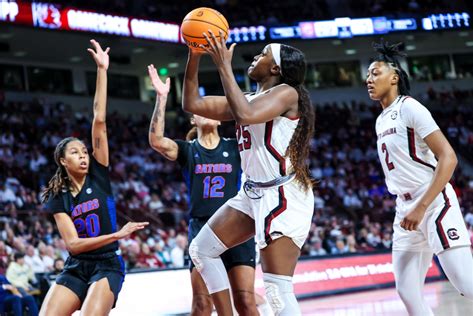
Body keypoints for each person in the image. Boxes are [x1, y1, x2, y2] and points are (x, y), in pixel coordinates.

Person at [182, 31, 315, 316]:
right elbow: (192, 103)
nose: (256, 57)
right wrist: (194, 56)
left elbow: (246, 114)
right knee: (201, 250)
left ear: (276, 68)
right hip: (252, 191)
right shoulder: (248, 97)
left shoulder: (286, 93)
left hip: (283, 196)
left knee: (278, 291)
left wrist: (222, 66)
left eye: (264, 53)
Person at [39, 40, 149, 316]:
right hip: (76, 265)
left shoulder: (99, 173)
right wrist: (117, 233)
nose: (84, 155)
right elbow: (73, 245)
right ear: (63, 161)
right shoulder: (57, 196)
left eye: (85, 151)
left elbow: (98, 119)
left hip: (107, 263)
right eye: (75, 153)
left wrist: (102, 70)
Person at [366, 41, 473, 316]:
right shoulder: (381, 118)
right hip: (405, 209)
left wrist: (422, 206)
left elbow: (449, 158)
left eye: (375, 73)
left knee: (466, 283)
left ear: (395, 77)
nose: (368, 79)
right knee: (408, 291)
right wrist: (412, 208)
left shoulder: (410, 108)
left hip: (433, 201)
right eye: (367, 74)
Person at [147, 64, 258, 315]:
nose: (206, 112)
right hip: (202, 228)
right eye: (200, 108)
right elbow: (156, 141)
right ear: (193, 118)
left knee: (246, 302)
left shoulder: (235, 147)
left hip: (237, 226)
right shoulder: (188, 150)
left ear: (220, 119)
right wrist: (161, 98)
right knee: (201, 304)